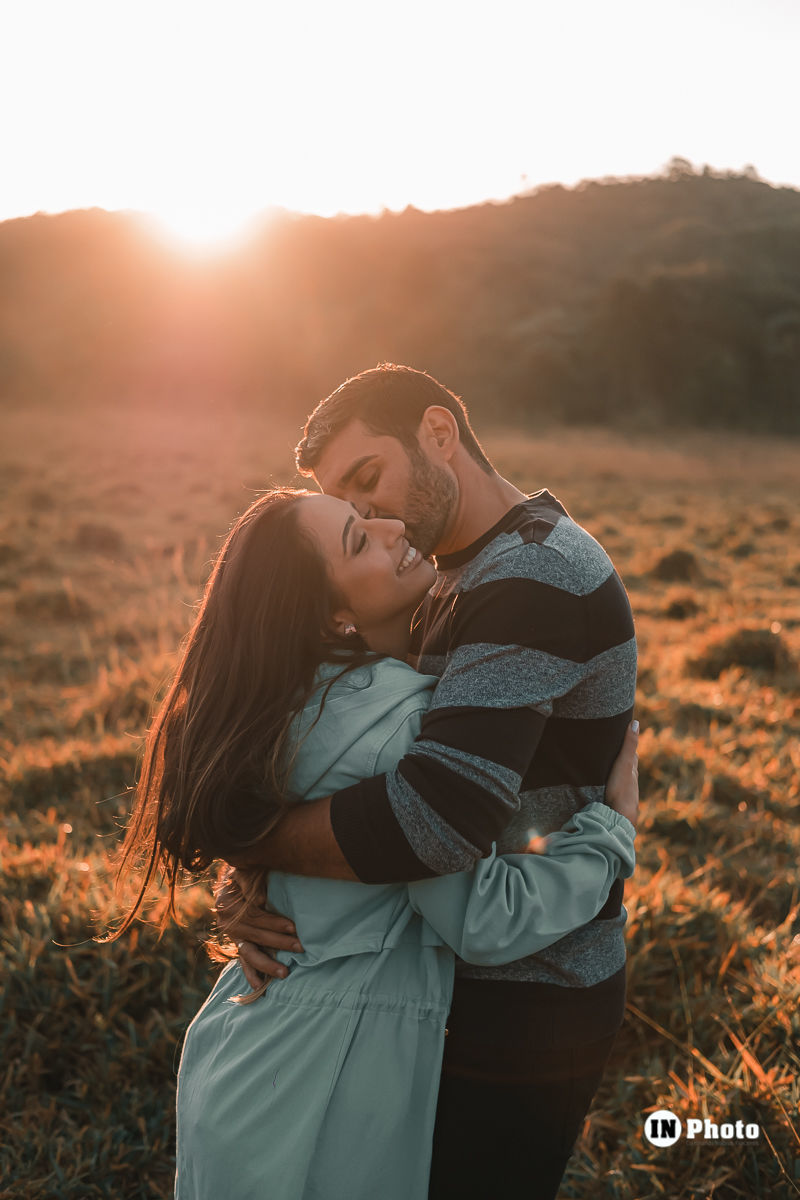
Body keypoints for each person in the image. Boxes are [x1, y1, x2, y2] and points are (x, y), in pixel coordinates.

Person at [112, 487, 639, 1200]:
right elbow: (482, 919)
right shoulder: (400, 726)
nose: (394, 528)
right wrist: (611, 834)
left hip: (245, 1056)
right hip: (320, 1089)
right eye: (360, 538)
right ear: (330, 614)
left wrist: (248, 868)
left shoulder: (293, 705)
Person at [220, 364, 639, 1199]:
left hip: (527, 997)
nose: (372, 516)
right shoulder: (447, 575)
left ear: (440, 434)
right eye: (350, 507)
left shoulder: (530, 573)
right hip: (436, 982)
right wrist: (257, 881)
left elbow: (429, 825)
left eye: (369, 480)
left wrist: (248, 833)